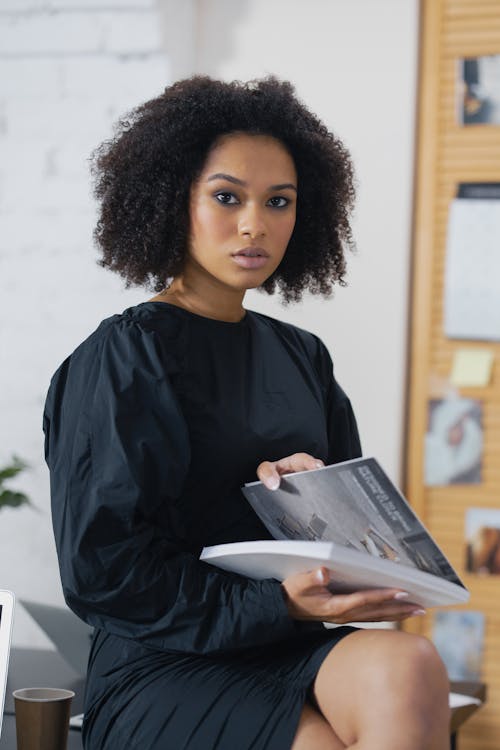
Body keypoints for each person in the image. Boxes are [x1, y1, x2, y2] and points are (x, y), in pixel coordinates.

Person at [43, 76, 450, 749]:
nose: (254, 224)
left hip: (283, 643)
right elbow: (101, 572)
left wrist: (317, 496)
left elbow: (355, 544)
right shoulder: (124, 356)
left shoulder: (303, 356)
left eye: (279, 201)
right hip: (161, 665)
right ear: (174, 199)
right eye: (227, 197)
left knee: (410, 664)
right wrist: (274, 602)